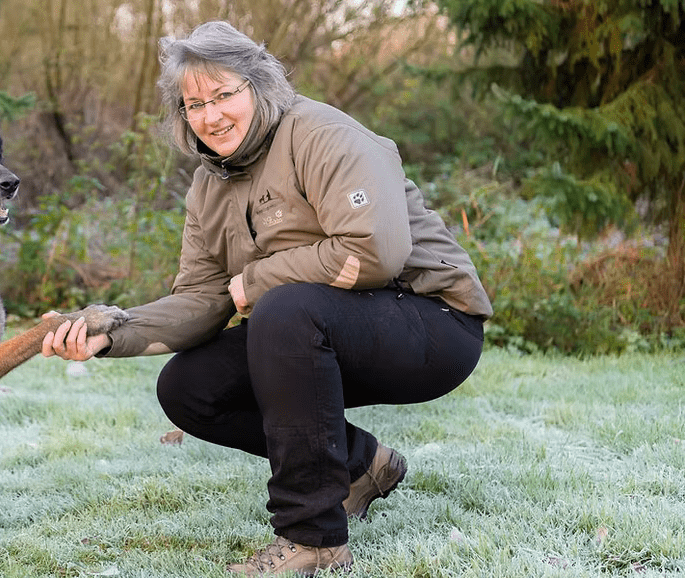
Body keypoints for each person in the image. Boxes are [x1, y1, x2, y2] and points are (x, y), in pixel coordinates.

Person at [42, 20, 492, 576]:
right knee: (189, 386)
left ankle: (315, 539)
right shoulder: (209, 187)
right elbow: (202, 301)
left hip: (433, 323)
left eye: (224, 94)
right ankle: (361, 466)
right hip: (318, 328)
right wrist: (110, 331)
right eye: (194, 104)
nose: (211, 115)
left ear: (259, 87)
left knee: (282, 308)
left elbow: (376, 252)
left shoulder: (321, 133)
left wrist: (257, 282)